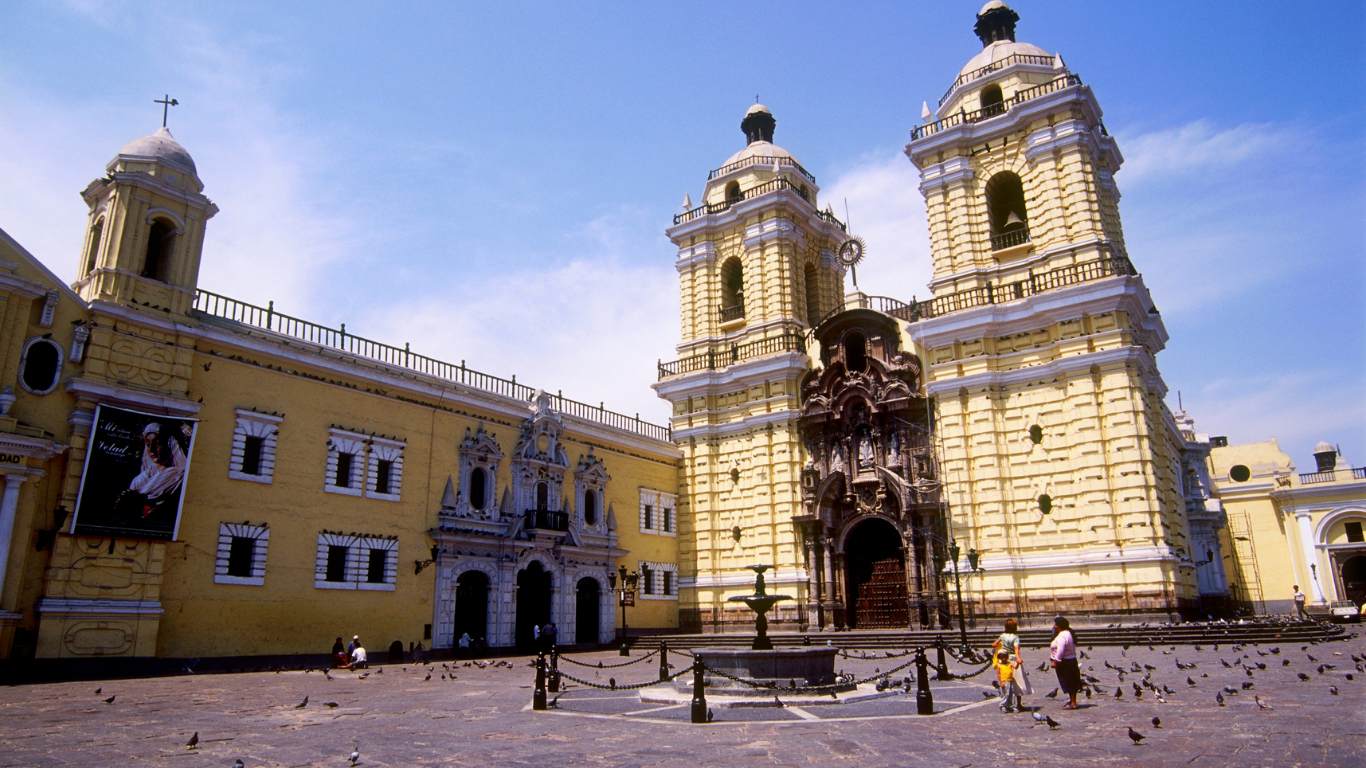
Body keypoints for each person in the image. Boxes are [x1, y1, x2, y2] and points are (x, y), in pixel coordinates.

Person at [1049, 615, 1081, 710]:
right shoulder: (1068, 633)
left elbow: (1061, 650)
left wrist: (1056, 661)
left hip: (1065, 662)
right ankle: (1072, 701)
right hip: (1071, 660)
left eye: (1056, 624)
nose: (1054, 626)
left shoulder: (1063, 635)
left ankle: (1073, 702)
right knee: (1072, 681)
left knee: (1068, 681)